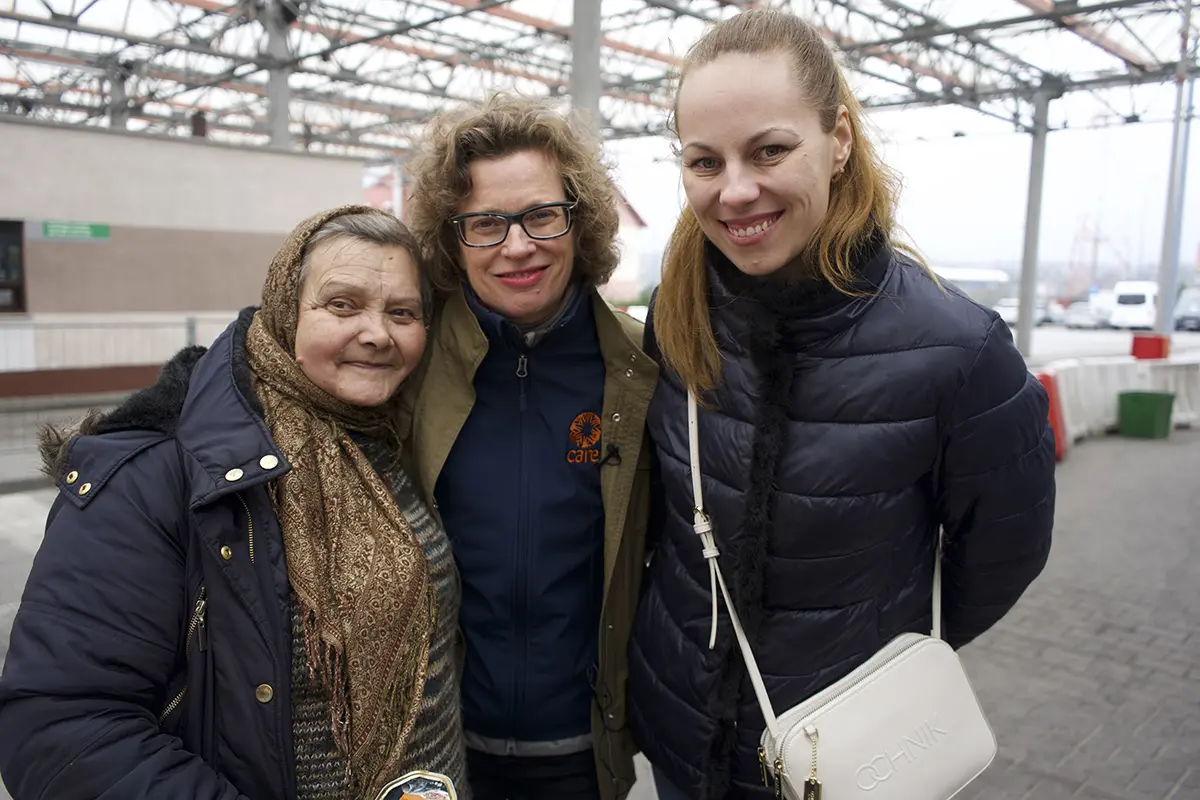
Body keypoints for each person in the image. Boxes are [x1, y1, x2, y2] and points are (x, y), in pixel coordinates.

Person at [628, 10, 1056, 800]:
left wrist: (878, 665)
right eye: (703, 161)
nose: (735, 190)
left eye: (770, 150)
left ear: (840, 143)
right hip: (683, 736)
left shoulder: (959, 351)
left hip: (845, 753)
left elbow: (1002, 554)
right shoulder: (678, 313)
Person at [0, 206, 470, 800]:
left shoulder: (391, 441)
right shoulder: (158, 474)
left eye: (402, 312)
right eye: (342, 305)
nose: (378, 333)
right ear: (284, 309)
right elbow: (60, 728)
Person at [402, 94, 659, 800]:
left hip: (583, 751)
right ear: (451, 239)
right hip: (436, 746)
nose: (518, 246)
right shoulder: (407, 369)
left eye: (542, 215)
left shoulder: (640, 372)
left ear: (580, 223)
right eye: (485, 223)